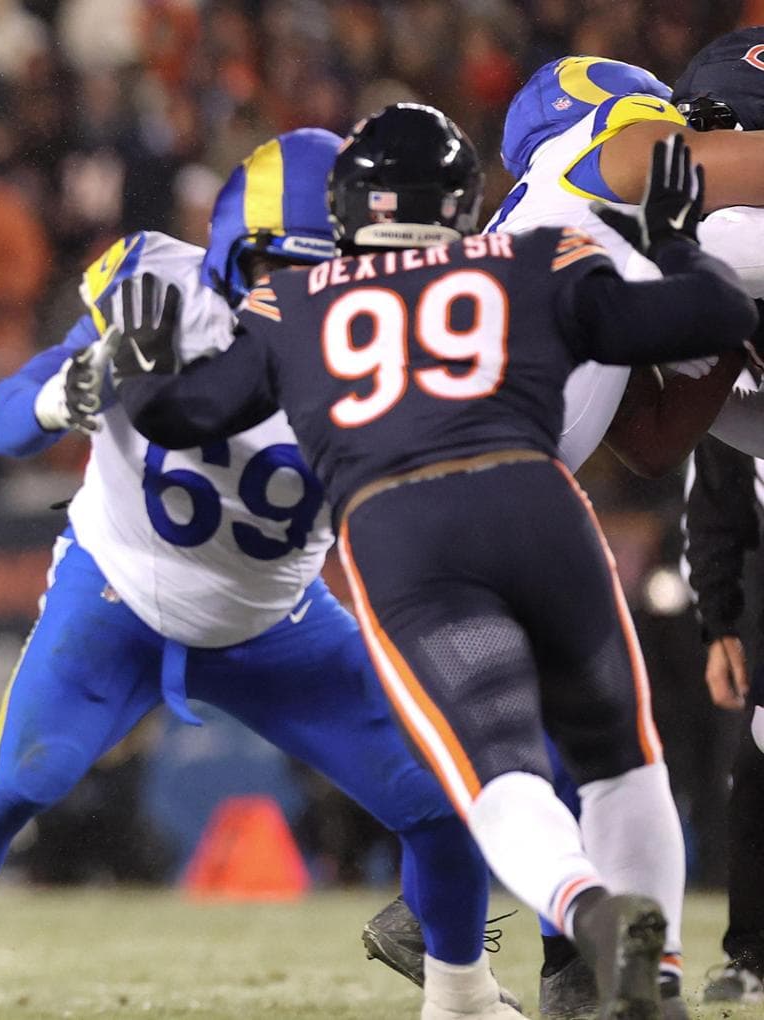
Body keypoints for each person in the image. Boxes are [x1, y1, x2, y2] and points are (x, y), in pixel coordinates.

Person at [0, 129, 517, 1020]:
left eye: (321, 269)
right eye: (277, 267)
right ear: (229, 252)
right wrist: (63, 393)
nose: (297, 292)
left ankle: (461, 995)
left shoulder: (387, 345)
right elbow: (1, 426)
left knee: (441, 797)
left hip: (275, 618)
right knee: (16, 788)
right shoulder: (159, 290)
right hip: (118, 594)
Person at [110, 104, 755, 1020]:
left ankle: (588, 908)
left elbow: (188, 413)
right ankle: (651, 976)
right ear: (461, 201)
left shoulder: (292, 302)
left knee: (500, 774)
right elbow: (714, 316)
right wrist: (675, 244)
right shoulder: (533, 259)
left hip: (405, 533)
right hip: (535, 506)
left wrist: (139, 369)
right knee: (624, 761)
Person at [366, 47, 764, 1020]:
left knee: (560, 737)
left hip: (424, 492)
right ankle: (601, 961)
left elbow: (652, 440)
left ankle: (499, 931)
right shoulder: (607, 153)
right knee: (617, 755)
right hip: (494, 484)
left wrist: (720, 315)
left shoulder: (564, 234)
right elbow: (722, 170)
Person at [680, 435, 764, 1004]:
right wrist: (720, 625)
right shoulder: (736, 398)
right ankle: (753, 956)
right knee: (756, 768)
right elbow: (715, 512)